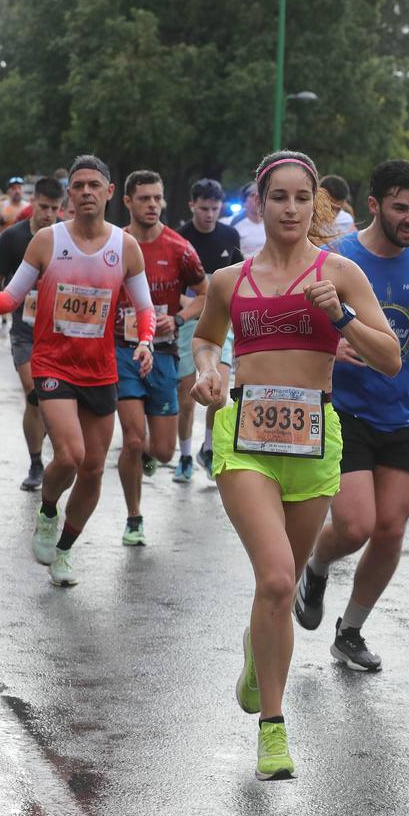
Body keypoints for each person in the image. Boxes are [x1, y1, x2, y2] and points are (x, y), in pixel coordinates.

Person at [188, 149, 399, 781]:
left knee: (277, 588)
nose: (290, 208)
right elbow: (205, 338)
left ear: (316, 205)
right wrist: (209, 372)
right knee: (279, 578)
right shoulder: (231, 280)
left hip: (314, 439)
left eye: (301, 198)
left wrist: (340, 314)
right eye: (278, 197)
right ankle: (273, 732)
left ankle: (260, 650)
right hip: (246, 437)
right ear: (260, 201)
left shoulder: (341, 272)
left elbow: (389, 358)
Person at [292, 159, 409, 671]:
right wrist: (329, 349)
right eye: (401, 208)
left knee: (390, 528)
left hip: (404, 413)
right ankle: (316, 568)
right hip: (346, 412)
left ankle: (351, 631)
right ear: (374, 205)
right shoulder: (337, 258)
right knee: (357, 525)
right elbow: (299, 327)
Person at [0, 154, 156, 587]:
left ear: (109, 193)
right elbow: (11, 297)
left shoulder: (125, 248)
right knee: (70, 455)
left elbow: (144, 308)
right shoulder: (48, 241)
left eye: (95, 185)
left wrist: (145, 342)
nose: (87, 192)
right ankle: (48, 509)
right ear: (69, 194)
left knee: (92, 469)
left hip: (101, 370)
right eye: (79, 185)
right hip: (53, 364)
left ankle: (66, 550)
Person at [113, 170, 207, 545]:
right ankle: (133, 517)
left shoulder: (179, 248)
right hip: (121, 350)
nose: (152, 205)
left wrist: (179, 317)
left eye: (157, 198)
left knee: (163, 451)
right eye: (144, 199)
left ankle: (149, 456)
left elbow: (206, 293)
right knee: (133, 441)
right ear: (128, 202)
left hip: (163, 350)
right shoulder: (114, 244)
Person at [0, 177, 64, 491]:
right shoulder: (12, 238)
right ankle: (35, 462)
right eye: (43, 207)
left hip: (62, 332)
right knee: (35, 394)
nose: (48, 214)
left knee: (52, 399)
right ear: (34, 203)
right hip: (25, 330)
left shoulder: (67, 237)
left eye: (55, 209)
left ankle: (59, 454)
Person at [174, 178, 242, 481]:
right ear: (192, 206)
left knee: (220, 395)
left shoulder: (230, 235)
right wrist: (194, 303)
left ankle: (209, 448)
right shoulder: (180, 239)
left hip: (222, 322)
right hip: (189, 323)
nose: (209, 214)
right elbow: (168, 290)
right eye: (203, 208)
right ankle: (185, 456)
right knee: (187, 398)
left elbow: (239, 281)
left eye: (215, 208)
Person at [226, 183, 266, 257]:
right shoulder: (234, 224)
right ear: (243, 202)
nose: (257, 199)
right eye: (253, 195)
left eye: (260, 195)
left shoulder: (272, 223)